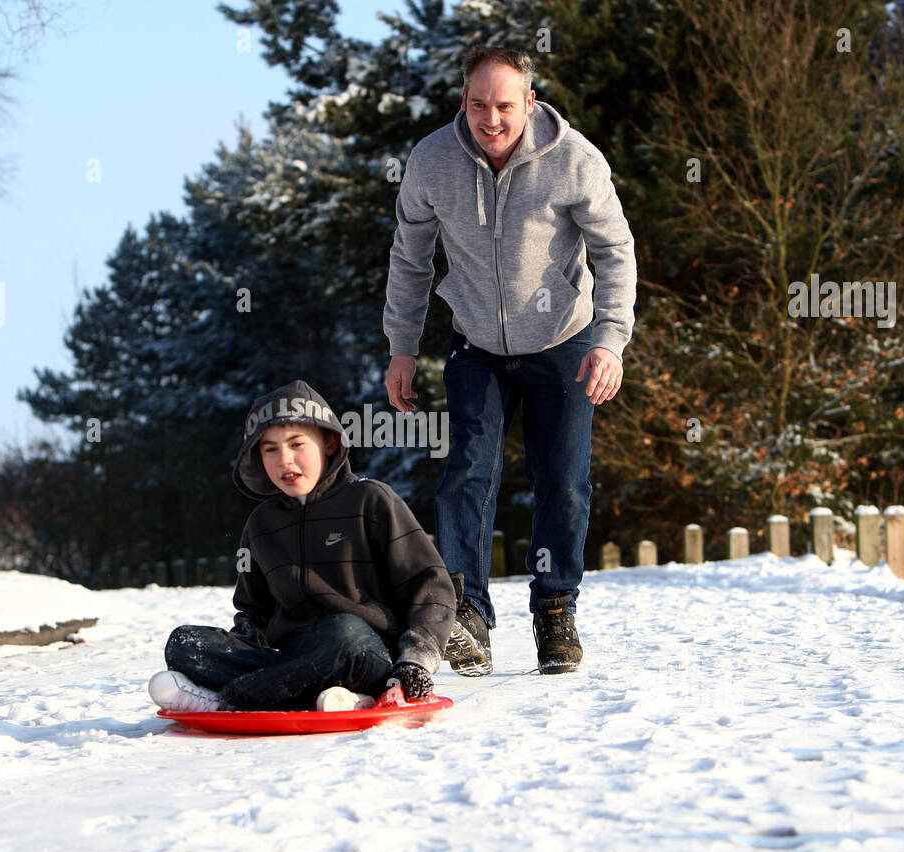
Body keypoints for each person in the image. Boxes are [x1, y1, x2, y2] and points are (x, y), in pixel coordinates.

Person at [382, 45, 637, 676]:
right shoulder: (432, 161)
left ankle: (555, 610)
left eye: (503, 105)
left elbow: (616, 252)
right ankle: (467, 615)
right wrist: (403, 349)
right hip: (477, 345)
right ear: (461, 102)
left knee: (564, 482)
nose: (489, 119)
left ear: (529, 101)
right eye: (476, 105)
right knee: (466, 474)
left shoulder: (574, 161)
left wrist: (610, 339)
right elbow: (410, 259)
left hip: (564, 341)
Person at [148, 379, 455, 713]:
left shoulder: (372, 500)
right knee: (184, 643)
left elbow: (430, 583)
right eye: (271, 449)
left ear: (328, 443)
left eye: (297, 444)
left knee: (344, 632)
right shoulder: (260, 524)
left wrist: (416, 661)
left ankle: (230, 700)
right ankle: (331, 698)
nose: (285, 459)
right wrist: (240, 645)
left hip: (366, 652)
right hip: (298, 659)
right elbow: (253, 612)